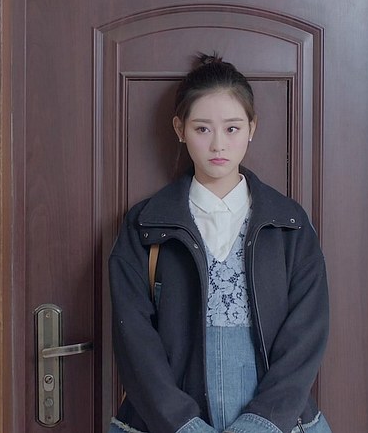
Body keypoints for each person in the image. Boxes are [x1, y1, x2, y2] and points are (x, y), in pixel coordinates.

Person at [108, 53, 331, 433]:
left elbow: (307, 333)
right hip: (169, 422)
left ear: (252, 127)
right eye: (202, 129)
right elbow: (135, 343)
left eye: (231, 128)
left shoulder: (289, 224)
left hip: (277, 420)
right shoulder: (145, 225)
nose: (218, 145)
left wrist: (260, 425)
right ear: (179, 129)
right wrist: (184, 426)